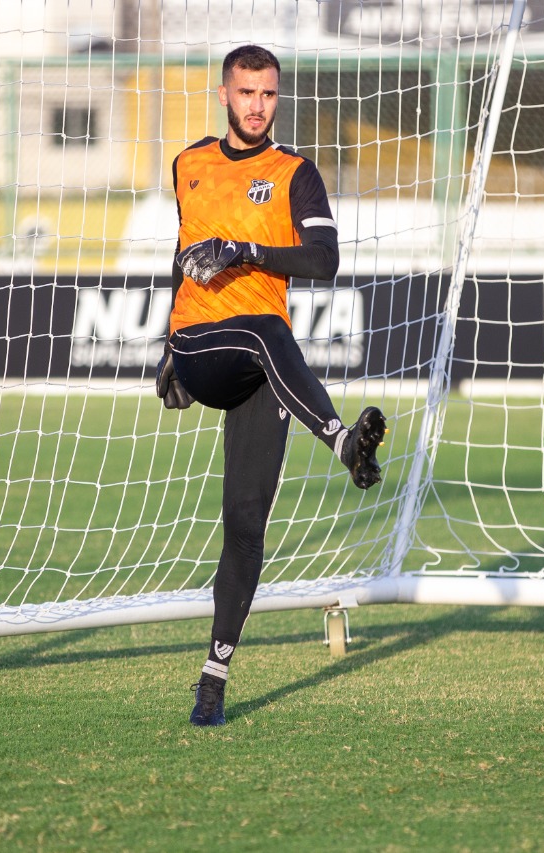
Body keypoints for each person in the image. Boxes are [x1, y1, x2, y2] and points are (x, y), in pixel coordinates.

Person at [154, 44, 386, 728]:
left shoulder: (295, 174)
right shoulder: (188, 164)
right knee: (260, 327)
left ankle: (213, 681)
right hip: (200, 348)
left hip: (264, 365)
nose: (258, 105)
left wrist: (248, 251)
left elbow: (323, 258)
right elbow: (184, 255)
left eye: (269, 94)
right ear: (224, 94)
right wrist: (163, 357)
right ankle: (343, 440)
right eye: (246, 92)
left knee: (246, 522)